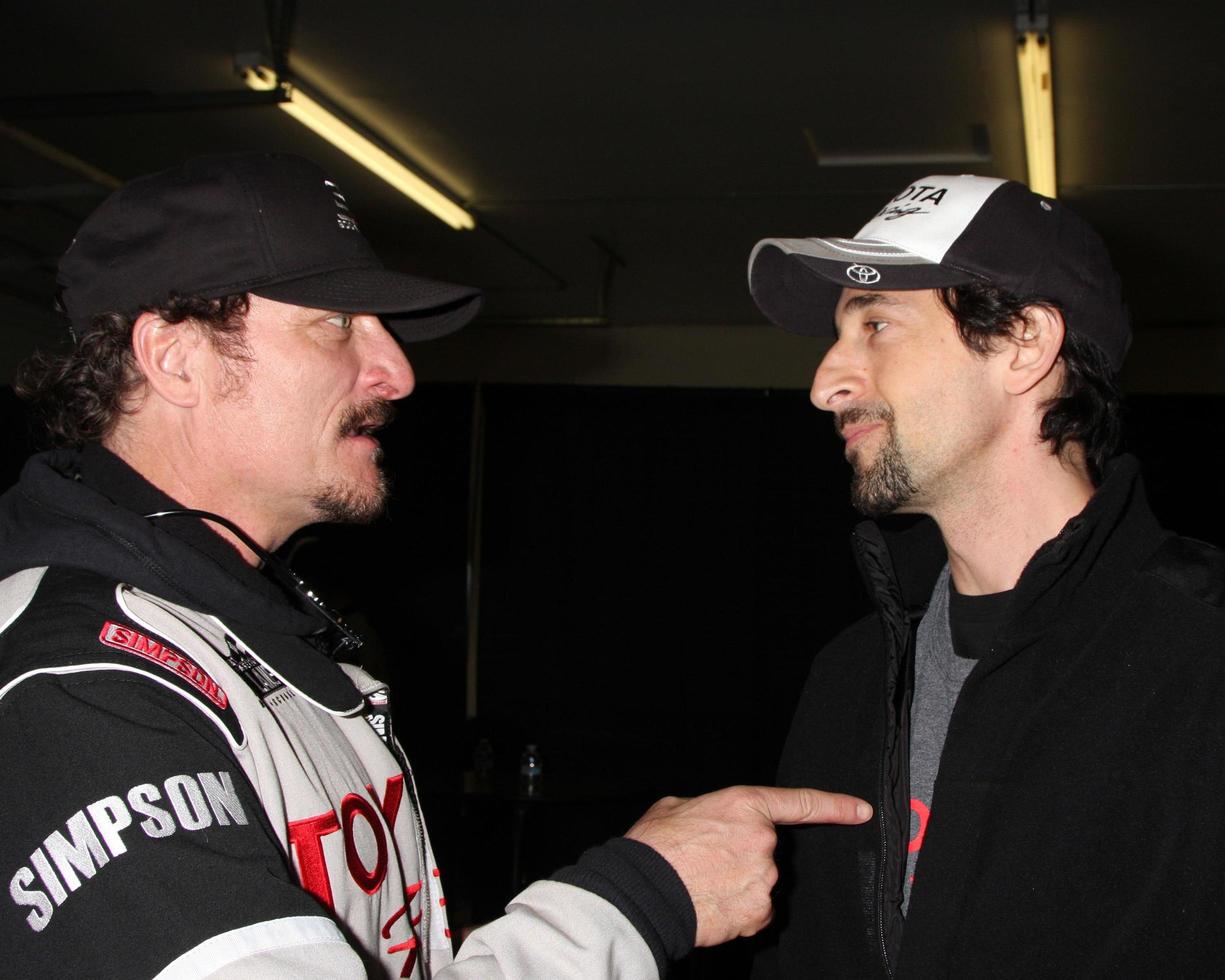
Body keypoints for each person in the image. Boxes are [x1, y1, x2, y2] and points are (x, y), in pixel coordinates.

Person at [0, 153, 871, 979]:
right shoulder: (74, 678)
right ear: (175, 357)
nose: (397, 372)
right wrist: (641, 899)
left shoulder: (258, 636)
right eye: (337, 324)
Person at [745, 175, 1225, 977]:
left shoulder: (1203, 657)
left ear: (1022, 344)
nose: (824, 383)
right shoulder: (849, 675)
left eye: (874, 324)